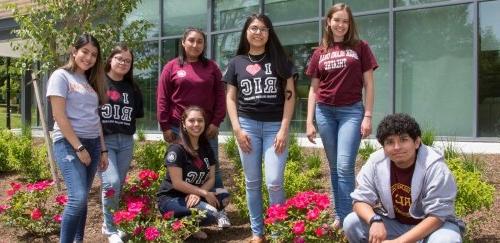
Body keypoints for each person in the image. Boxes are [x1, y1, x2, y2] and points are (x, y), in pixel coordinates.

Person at [224, 14, 296, 243]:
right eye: (253, 28)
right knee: (252, 182)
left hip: (276, 126)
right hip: (247, 127)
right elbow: (231, 98)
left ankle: (277, 232)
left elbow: (290, 97)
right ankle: (257, 232)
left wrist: (284, 128)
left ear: (269, 33)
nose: (258, 32)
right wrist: (236, 129)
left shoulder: (281, 60)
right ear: (246, 32)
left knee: (274, 181)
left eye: (263, 29)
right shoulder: (237, 62)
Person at [305, 2, 378, 229]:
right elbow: (313, 89)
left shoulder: (360, 47)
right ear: (328, 22)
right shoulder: (320, 52)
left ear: (350, 24)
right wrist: (309, 121)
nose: (340, 25)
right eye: (336, 20)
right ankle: (340, 215)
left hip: (351, 111)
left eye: (345, 21)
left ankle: (349, 220)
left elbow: (369, 83)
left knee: (345, 166)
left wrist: (367, 115)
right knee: (334, 167)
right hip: (325, 112)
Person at [343, 113, 463, 243]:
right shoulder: (375, 162)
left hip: (433, 228)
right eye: (390, 142)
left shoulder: (435, 166)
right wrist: (374, 220)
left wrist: (399, 242)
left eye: (403, 140)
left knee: (446, 240)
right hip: (396, 225)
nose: (397, 147)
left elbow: (438, 216)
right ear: (383, 147)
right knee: (352, 222)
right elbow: (360, 201)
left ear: (417, 142)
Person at [46, 33, 108, 243]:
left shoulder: (90, 82)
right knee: (78, 197)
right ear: (74, 51)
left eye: (94, 55)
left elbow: (95, 118)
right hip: (68, 142)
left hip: (92, 143)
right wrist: (79, 148)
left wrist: (103, 149)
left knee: (81, 201)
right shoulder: (60, 76)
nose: (89, 58)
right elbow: (59, 116)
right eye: (85, 52)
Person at [156, 27, 227, 197]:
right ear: (183, 42)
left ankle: (220, 208)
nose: (195, 45)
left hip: (206, 128)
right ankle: (186, 209)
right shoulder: (171, 67)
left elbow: (220, 96)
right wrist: (165, 126)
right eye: (191, 40)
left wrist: (216, 122)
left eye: (200, 41)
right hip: (177, 128)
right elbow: (162, 98)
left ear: (204, 45)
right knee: (182, 168)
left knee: (213, 170)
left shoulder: (212, 68)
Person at [156, 106, 230, 240]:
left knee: (224, 196)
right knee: (211, 213)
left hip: (194, 195)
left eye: (200, 121)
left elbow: (212, 178)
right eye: (191, 121)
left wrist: (197, 193)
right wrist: (203, 193)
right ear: (184, 124)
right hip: (172, 198)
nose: (196, 124)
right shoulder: (176, 149)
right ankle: (178, 224)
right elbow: (177, 183)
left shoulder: (206, 148)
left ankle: (188, 225)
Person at [99, 44, 144, 243]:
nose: (123, 63)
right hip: (104, 140)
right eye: (119, 58)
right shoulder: (98, 83)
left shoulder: (132, 88)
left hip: (126, 141)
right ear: (110, 59)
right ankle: (110, 230)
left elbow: (137, 116)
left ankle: (109, 223)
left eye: (127, 61)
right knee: (111, 182)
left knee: (118, 184)